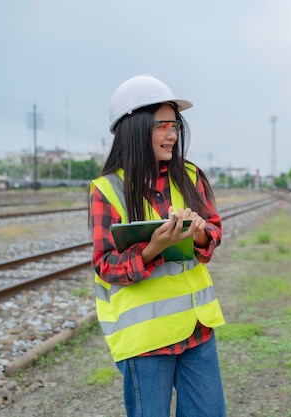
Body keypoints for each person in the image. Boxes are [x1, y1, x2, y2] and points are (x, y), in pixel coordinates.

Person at [89, 74, 226, 417]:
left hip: (197, 330)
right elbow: (105, 264)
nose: (172, 134)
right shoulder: (107, 190)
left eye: (174, 125)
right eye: (161, 125)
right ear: (134, 129)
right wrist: (151, 249)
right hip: (145, 339)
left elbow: (214, 232)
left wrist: (197, 232)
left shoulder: (190, 176)